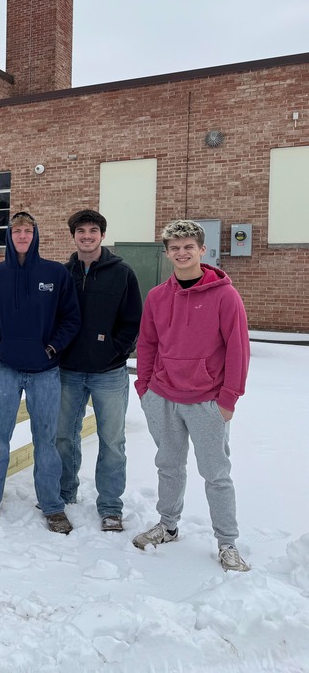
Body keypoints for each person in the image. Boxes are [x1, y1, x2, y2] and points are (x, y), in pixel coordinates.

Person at [132, 220, 251, 572]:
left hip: (207, 400)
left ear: (202, 250)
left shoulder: (224, 295)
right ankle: (167, 526)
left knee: (216, 473)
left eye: (189, 247)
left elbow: (238, 349)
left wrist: (228, 398)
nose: (182, 253)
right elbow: (148, 343)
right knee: (168, 466)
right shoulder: (157, 297)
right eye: (175, 248)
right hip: (163, 397)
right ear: (167, 253)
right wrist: (146, 389)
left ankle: (227, 542)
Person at [0, 211, 81, 533]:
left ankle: (53, 506)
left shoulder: (55, 274)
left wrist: (51, 348)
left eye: (28, 230)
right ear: (9, 235)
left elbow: (71, 319)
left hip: (45, 371)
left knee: (46, 440)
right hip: (5, 369)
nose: (22, 236)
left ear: (35, 234)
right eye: (17, 230)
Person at [56, 210, 142, 532]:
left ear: (102, 236)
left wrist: (112, 350)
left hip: (109, 373)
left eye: (94, 230)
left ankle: (110, 507)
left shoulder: (122, 273)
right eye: (81, 231)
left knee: (112, 441)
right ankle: (65, 493)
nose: (87, 236)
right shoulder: (63, 274)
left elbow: (133, 323)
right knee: (63, 437)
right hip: (69, 371)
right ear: (73, 235)